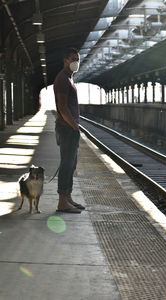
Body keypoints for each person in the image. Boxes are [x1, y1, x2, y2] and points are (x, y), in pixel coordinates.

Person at [53, 48, 85, 213]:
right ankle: (62, 202)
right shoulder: (62, 80)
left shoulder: (68, 78)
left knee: (72, 164)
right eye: (73, 59)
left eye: (78, 59)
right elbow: (62, 107)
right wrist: (74, 126)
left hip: (69, 128)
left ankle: (68, 198)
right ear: (65, 60)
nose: (76, 62)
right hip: (66, 128)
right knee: (66, 165)